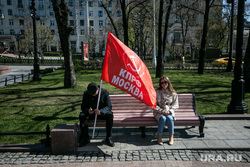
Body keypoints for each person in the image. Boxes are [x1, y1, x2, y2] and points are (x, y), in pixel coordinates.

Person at [79, 82, 114, 147]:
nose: (92, 95)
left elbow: (109, 106)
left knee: (110, 115)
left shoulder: (104, 93)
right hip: (91, 114)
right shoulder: (86, 93)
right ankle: (85, 138)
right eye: (91, 94)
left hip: (101, 113)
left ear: (98, 89)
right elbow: (83, 107)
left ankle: (108, 138)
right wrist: (88, 110)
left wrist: (101, 111)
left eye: (93, 93)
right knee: (82, 116)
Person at [153, 76, 179, 145]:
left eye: (165, 82)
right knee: (163, 118)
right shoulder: (156, 92)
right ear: (160, 84)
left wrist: (169, 111)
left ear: (168, 83)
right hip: (159, 112)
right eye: (162, 83)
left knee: (170, 118)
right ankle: (159, 136)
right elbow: (153, 105)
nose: (163, 84)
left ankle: (171, 136)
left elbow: (175, 105)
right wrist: (161, 111)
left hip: (169, 111)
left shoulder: (173, 93)